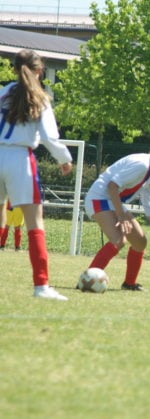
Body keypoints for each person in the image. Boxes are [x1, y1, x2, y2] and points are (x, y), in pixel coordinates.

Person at [0, 49, 73, 300]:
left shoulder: (1, 93)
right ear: (40, 70)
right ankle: (41, 286)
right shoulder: (40, 97)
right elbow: (51, 137)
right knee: (34, 224)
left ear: (13, 69)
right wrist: (64, 159)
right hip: (20, 159)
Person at [83, 139, 150, 291]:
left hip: (113, 201)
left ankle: (129, 283)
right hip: (99, 198)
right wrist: (121, 216)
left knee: (140, 242)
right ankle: (86, 281)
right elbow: (112, 186)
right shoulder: (142, 165)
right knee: (118, 240)